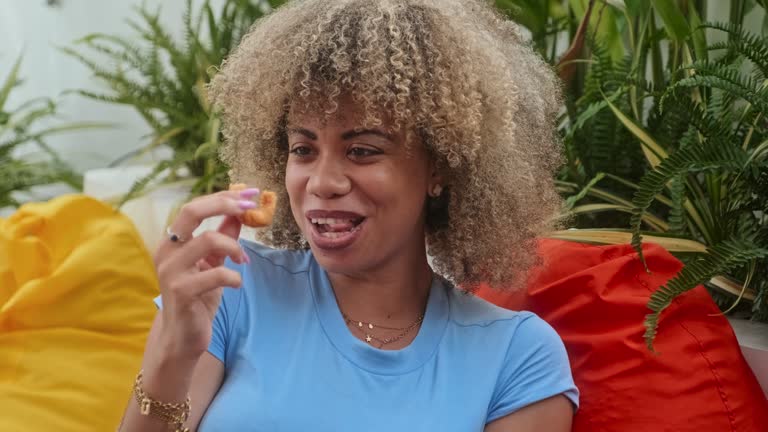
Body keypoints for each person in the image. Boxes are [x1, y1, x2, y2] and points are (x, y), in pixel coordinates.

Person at [118, 0, 578, 430]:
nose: (321, 182)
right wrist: (173, 356)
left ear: (440, 167)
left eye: (361, 150)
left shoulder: (517, 356)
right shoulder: (230, 291)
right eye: (303, 149)